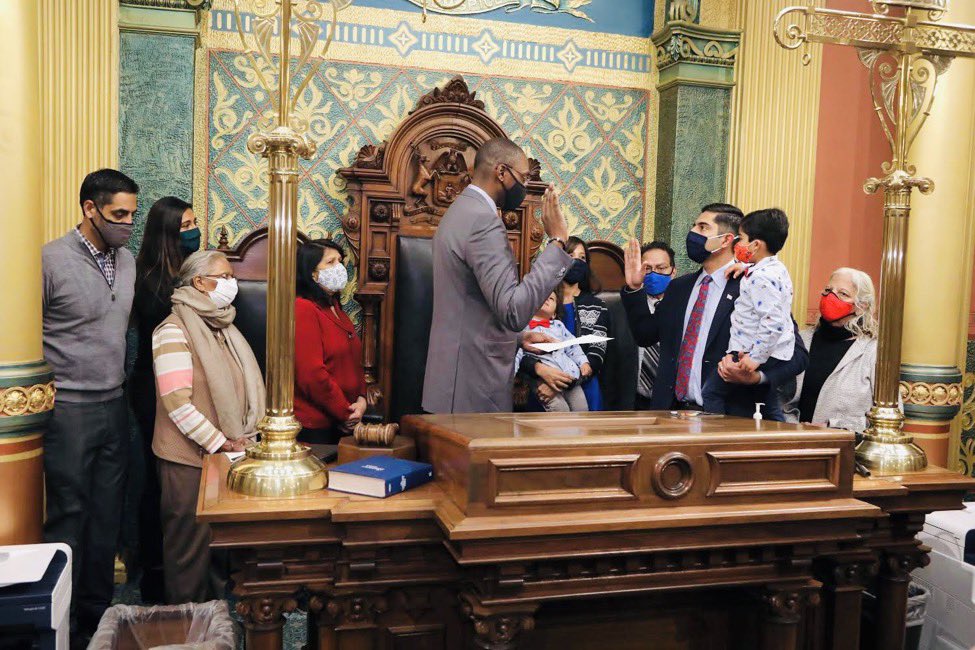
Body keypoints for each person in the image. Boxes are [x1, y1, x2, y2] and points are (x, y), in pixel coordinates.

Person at [42, 168, 139, 642]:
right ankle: (60, 627)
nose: (127, 224)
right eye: (119, 215)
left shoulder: (128, 261)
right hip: (69, 410)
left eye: (132, 216)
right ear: (89, 209)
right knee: (69, 515)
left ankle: (97, 623)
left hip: (114, 403)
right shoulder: (49, 260)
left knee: (107, 517)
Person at [422, 137, 572, 414]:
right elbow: (513, 310)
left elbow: (469, 305)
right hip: (472, 385)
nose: (525, 188)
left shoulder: (460, 209)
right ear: (501, 172)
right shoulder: (483, 221)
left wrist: (518, 338)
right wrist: (558, 243)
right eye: (523, 178)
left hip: (453, 378)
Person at [151, 250, 265, 604]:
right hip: (188, 460)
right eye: (225, 276)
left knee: (217, 551)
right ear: (200, 282)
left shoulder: (222, 326)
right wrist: (221, 442)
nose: (233, 284)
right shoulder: (173, 329)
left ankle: (214, 625)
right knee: (189, 551)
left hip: (223, 458)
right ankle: (187, 629)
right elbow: (177, 403)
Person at [621, 203, 808, 417]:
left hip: (731, 418)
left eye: (702, 228)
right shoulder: (679, 288)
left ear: (727, 239)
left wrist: (756, 377)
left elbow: (797, 355)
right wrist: (635, 289)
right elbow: (645, 334)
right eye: (694, 226)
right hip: (672, 414)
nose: (692, 233)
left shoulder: (752, 284)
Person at [130, 196, 198, 603]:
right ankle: (155, 575)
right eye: (185, 225)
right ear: (168, 233)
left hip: (183, 385)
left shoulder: (184, 273)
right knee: (159, 482)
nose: (193, 230)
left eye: (194, 222)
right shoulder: (150, 279)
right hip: (153, 388)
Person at [701, 209, 794, 420]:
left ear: (756, 245)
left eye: (741, 238)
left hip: (753, 351)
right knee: (767, 403)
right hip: (768, 352)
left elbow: (773, 321)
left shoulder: (761, 278)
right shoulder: (773, 268)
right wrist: (743, 265)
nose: (737, 243)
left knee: (711, 392)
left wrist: (755, 358)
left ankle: (714, 437)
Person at [783, 268, 878, 431]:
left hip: (844, 450)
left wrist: (832, 427)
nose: (830, 297)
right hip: (795, 444)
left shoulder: (874, 351)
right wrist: (795, 427)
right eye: (828, 290)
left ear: (861, 306)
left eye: (843, 294)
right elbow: (780, 400)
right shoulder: (801, 340)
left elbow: (888, 417)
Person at [294, 239, 367, 443]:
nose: (339, 268)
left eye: (340, 261)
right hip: (317, 426)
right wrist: (344, 413)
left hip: (346, 419)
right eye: (330, 262)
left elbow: (353, 361)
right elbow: (311, 374)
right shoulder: (304, 308)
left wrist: (361, 399)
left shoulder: (334, 306)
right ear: (312, 273)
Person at [515, 293, 591, 412]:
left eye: (551, 299)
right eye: (543, 296)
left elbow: (573, 346)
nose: (547, 299)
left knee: (581, 407)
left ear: (554, 314)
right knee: (559, 409)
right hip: (541, 377)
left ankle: (580, 430)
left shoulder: (559, 326)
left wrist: (583, 362)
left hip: (568, 373)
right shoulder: (522, 327)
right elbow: (517, 353)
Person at [635, 241, 677, 410]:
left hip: (672, 401)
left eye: (661, 268)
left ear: (673, 272)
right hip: (632, 400)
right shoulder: (627, 307)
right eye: (648, 269)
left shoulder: (685, 307)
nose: (654, 274)